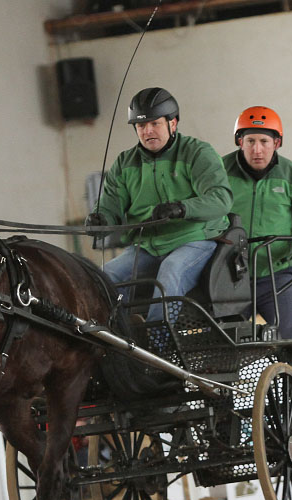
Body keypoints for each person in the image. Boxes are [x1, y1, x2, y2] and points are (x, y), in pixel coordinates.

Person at [85, 87, 232, 327]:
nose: (148, 131)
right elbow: (110, 205)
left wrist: (182, 208)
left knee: (170, 271)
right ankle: (113, 336)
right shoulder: (124, 163)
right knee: (104, 277)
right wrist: (101, 219)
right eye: (141, 126)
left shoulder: (197, 153)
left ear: (172, 124)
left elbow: (221, 199)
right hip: (146, 245)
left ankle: (158, 342)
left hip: (195, 238)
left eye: (155, 124)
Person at [222, 105, 292, 338]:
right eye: (250, 141)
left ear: (277, 143)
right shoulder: (219, 173)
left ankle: (291, 374)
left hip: (277, 276)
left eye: (264, 141)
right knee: (222, 345)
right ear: (239, 142)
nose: (257, 149)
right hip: (228, 277)